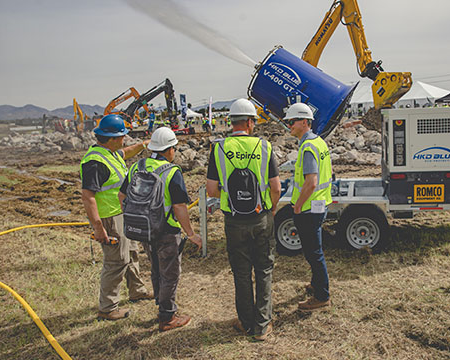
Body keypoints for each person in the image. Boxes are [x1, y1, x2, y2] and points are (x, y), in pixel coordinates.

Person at [206, 98, 281, 341]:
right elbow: (275, 188)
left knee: (241, 272)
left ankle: (246, 323)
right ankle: (262, 325)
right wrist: (271, 209)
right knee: (264, 270)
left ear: (231, 122)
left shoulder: (218, 148)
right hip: (261, 218)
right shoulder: (265, 147)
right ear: (250, 122)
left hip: (234, 220)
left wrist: (230, 196)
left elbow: (210, 189)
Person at [118, 127, 202, 332]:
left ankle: (161, 303)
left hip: (144, 230)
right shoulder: (172, 172)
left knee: (156, 267)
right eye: (174, 148)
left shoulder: (137, 166)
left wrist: (136, 216)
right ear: (169, 150)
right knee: (170, 273)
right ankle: (167, 317)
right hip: (166, 230)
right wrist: (191, 234)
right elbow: (179, 207)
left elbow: (122, 196)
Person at [80, 114, 153, 321]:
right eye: (122, 136)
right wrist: (98, 228)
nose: (124, 139)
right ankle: (108, 307)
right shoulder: (95, 162)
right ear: (112, 138)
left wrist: (143, 145)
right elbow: (88, 197)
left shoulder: (109, 153)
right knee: (116, 261)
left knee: (130, 252)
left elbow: (125, 152)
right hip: (108, 218)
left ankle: (137, 290)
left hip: (121, 213)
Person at [284, 103, 333, 312]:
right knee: (315, 250)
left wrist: (297, 207)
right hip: (320, 205)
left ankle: (322, 296)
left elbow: (311, 182)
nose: (289, 126)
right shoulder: (318, 142)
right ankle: (316, 283)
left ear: (305, 122)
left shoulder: (308, 147)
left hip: (309, 209)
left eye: (292, 122)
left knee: (314, 253)